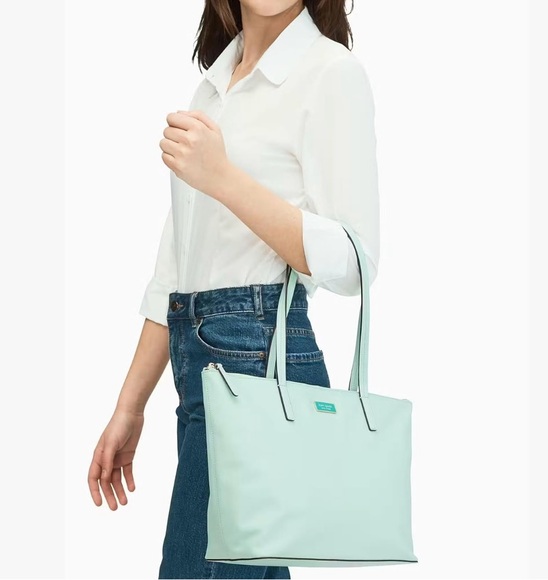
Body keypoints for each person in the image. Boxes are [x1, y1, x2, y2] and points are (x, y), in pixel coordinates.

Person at [87, 0, 380, 578]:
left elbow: (353, 262)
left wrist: (223, 178)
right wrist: (130, 405)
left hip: (261, 368)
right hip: (200, 367)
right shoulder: (213, 88)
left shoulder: (330, 73)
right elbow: (177, 268)